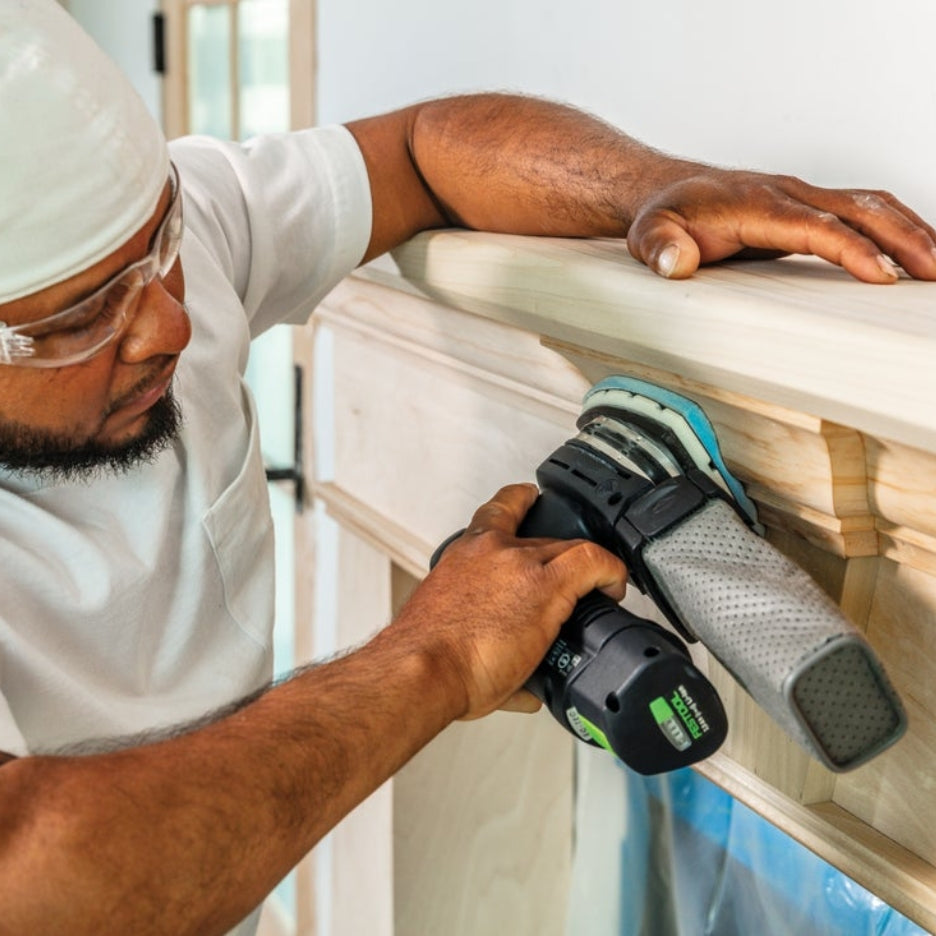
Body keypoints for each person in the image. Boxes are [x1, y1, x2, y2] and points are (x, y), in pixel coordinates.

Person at [0, 4, 934, 935]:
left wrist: (657, 184)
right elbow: (31, 882)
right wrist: (437, 653)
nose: (174, 323)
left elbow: (413, 152)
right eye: (81, 321)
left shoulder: (160, 253)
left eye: (164, 247)